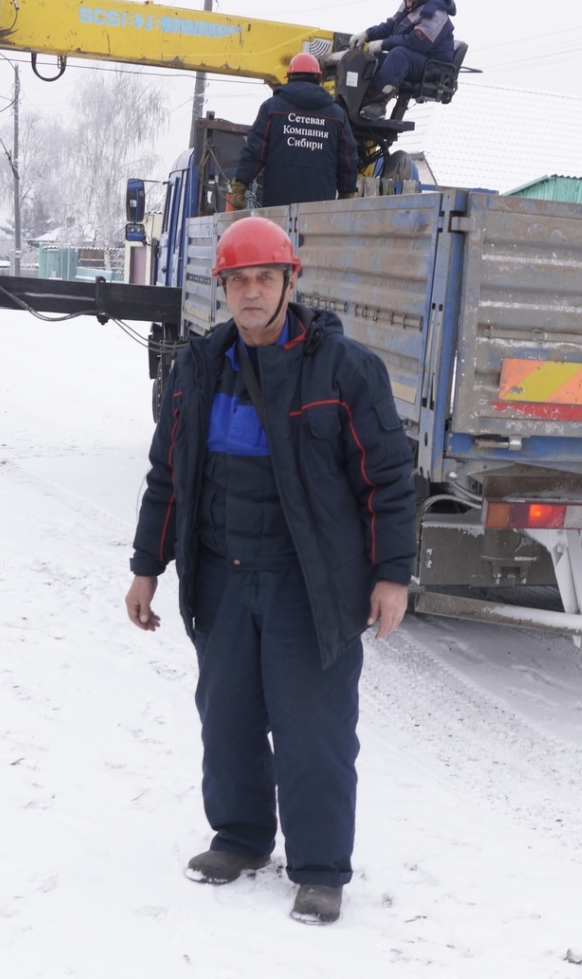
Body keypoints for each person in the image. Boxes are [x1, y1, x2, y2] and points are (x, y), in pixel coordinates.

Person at [124, 216, 417, 925]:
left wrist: (391, 575)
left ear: (291, 281)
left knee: (312, 727)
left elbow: (387, 480)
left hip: (307, 583)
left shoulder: (346, 371)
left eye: (264, 278)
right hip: (221, 574)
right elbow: (169, 473)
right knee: (227, 716)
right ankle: (241, 837)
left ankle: (318, 868)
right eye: (237, 281)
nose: (250, 293)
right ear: (221, 286)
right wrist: (145, 567)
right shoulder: (197, 368)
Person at [227, 53, 358, 210]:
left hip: (277, 205)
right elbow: (348, 159)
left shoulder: (271, 108)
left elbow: (255, 151)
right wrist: (347, 193)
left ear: (289, 77)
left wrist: (240, 185)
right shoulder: (337, 115)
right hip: (320, 207)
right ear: (319, 78)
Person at [348, 0, 456, 120]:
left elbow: (418, 42)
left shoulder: (435, 13)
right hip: (418, 60)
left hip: (435, 67)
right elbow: (390, 26)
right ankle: (361, 99)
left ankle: (379, 104)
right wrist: (367, 34)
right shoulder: (410, 5)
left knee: (398, 55)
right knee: (373, 59)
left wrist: (383, 44)